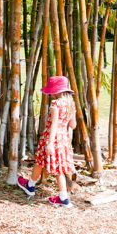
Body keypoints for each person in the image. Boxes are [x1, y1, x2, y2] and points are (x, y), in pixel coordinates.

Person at [17, 75, 77, 208]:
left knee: (50, 165)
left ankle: (63, 198)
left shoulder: (56, 103)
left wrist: (50, 143)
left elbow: (54, 124)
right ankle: (31, 186)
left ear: (57, 91)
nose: (50, 94)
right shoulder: (71, 104)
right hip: (63, 138)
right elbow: (73, 125)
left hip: (51, 137)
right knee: (48, 163)